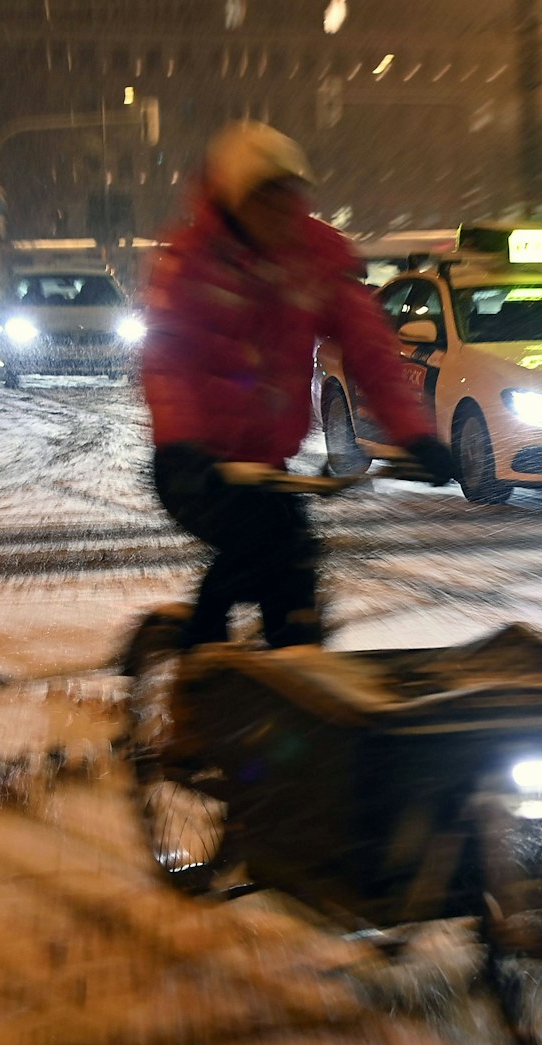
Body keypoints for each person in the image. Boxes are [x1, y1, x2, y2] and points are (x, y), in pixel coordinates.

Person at [141, 121, 458, 649]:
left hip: (266, 467)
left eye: (291, 200)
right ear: (234, 203)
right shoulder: (190, 266)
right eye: (266, 202)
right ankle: (196, 667)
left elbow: (371, 353)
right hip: (195, 466)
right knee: (262, 550)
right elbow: (166, 363)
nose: (281, 216)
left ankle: (286, 680)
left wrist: (415, 436)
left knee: (296, 578)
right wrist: (181, 445)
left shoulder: (315, 260)